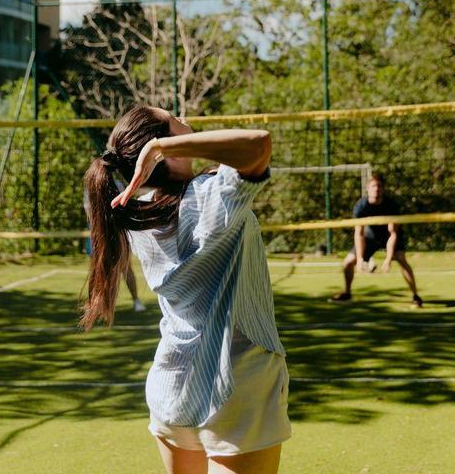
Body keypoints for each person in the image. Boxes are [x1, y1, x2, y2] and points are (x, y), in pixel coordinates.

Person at [82, 105, 289, 474]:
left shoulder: (138, 215)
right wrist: (165, 147)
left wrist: (166, 148)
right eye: (174, 120)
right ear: (161, 146)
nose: (185, 120)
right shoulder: (210, 196)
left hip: (172, 387)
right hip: (236, 383)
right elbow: (259, 144)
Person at [330, 173, 422, 307]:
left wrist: (389, 258)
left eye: (379, 186)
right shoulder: (361, 206)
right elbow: (359, 234)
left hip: (389, 236)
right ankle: (347, 293)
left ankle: (416, 296)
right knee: (348, 262)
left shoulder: (391, 205)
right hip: (371, 236)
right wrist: (360, 258)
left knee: (401, 259)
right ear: (367, 188)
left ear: (383, 189)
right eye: (373, 186)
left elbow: (393, 234)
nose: (376, 189)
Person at [84, 188, 146, 312]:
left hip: (118, 230)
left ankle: (136, 300)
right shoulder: (91, 183)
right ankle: (95, 304)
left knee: (125, 267)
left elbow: (125, 204)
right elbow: (88, 208)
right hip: (99, 231)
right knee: (97, 268)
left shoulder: (117, 181)